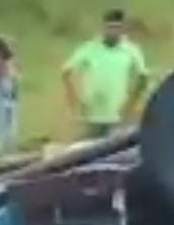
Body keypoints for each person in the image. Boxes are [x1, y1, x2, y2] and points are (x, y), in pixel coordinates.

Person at [62, 9, 150, 140]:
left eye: (117, 28)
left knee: (114, 150)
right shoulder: (90, 48)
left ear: (123, 29)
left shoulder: (131, 50)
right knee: (89, 148)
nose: (113, 32)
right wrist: (75, 100)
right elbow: (67, 71)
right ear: (103, 27)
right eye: (110, 27)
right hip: (91, 115)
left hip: (118, 116)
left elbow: (143, 77)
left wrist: (130, 104)